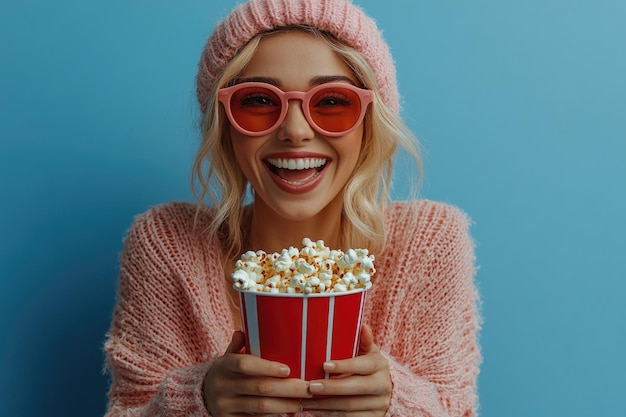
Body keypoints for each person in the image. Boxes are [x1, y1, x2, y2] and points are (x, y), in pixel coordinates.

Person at [103, 0, 482, 416]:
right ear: (225, 126)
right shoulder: (168, 246)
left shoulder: (429, 242)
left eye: (332, 102)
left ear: (370, 123)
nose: (296, 132)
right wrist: (198, 400)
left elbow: (454, 408)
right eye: (260, 101)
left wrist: (396, 402)